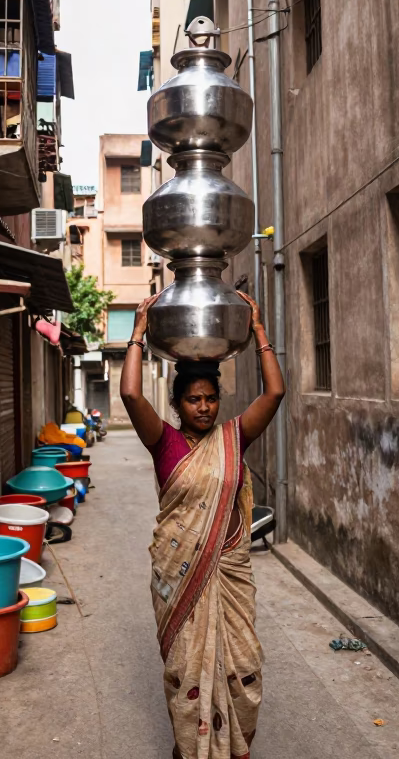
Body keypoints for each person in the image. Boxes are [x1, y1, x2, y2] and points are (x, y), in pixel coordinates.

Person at [119, 291, 285, 759]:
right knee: (189, 674)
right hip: (181, 574)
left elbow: (274, 393)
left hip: (229, 571)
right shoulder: (164, 443)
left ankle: (232, 749)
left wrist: (258, 330)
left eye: (211, 398)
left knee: (244, 666)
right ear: (178, 404)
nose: (205, 407)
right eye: (194, 399)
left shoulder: (234, 438)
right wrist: (137, 333)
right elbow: (130, 394)